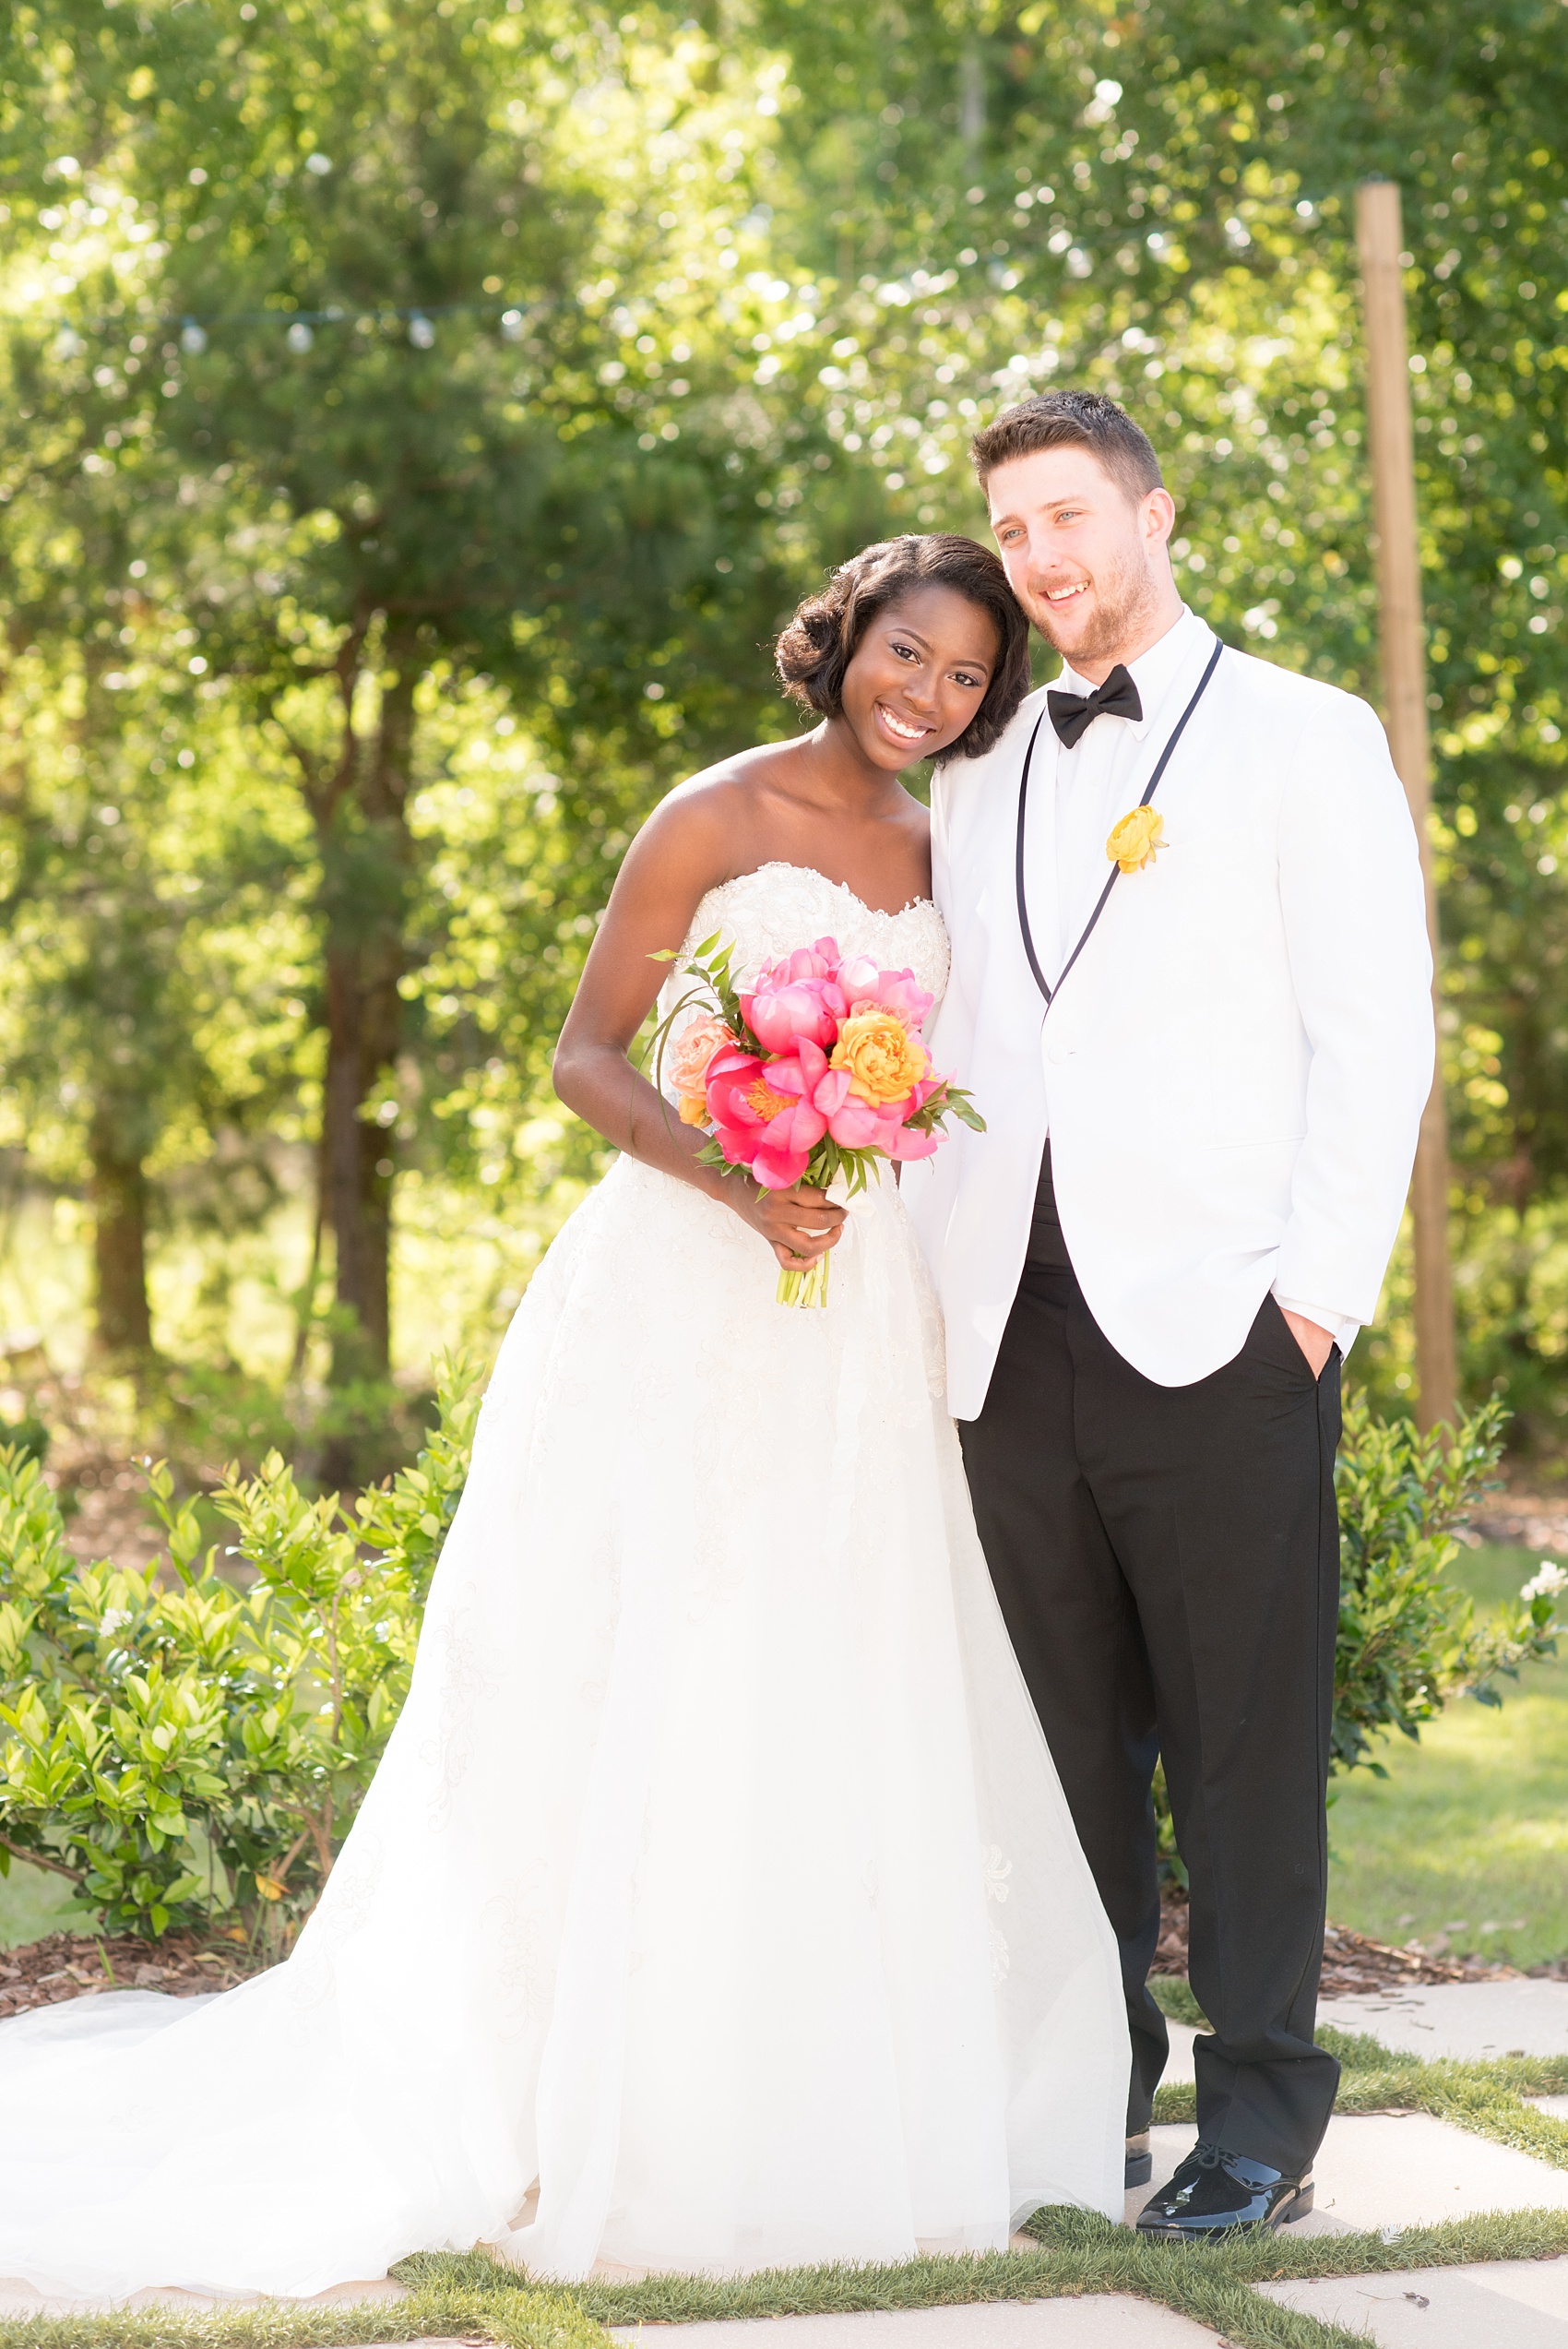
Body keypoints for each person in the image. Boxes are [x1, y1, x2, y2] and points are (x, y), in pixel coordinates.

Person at [0, 533, 1128, 2304]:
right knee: (643, 1660)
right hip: (687, 1283)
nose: (931, 695)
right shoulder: (713, 813)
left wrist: (853, 1164)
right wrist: (744, 1171)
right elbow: (585, 1053)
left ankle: (810, 2101)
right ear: (843, 641)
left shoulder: (949, 845)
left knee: (833, 1664)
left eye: (970, 675)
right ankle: (583, 2099)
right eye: (906, 653)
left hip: (856, 1307)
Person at [905, 392, 1434, 2242]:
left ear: (1152, 513)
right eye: (1014, 530)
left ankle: (1264, 2117)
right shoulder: (974, 764)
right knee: (1057, 1757)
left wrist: (1313, 1303)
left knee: (1239, 1749)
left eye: (1069, 517)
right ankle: (1092, 2090)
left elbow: (1377, 1039)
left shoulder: (1304, 735)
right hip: (1004, 1332)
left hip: (1224, 1328)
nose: (1042, 559)